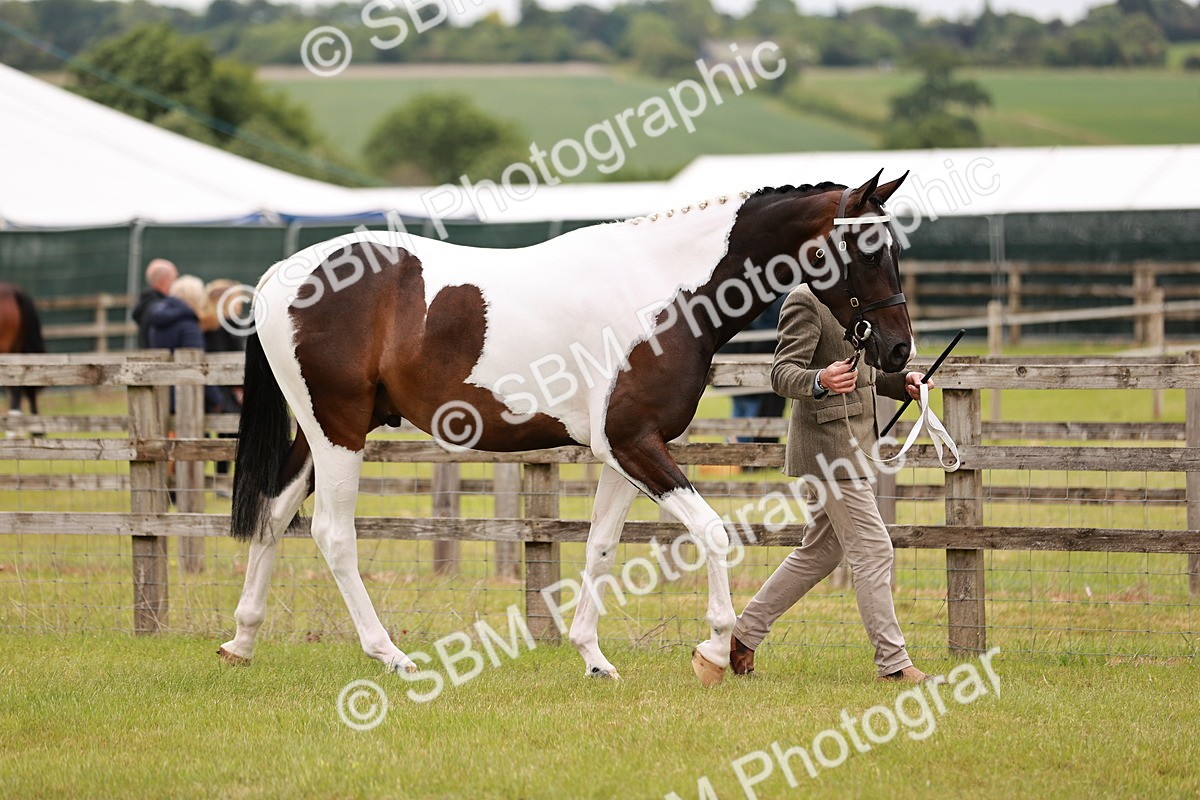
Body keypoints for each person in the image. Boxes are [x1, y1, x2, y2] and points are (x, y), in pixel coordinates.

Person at [730, 285, 933, 683]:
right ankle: (893, 665)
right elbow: (782, 373)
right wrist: (820, 379)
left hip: (853, 445)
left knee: (821, 552)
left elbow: (866, 373)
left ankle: (743, 635)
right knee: (874, 551)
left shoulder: (857, 299)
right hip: (827, 447)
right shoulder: (806, 300)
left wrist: (902, 382)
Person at [146, 275, 224, 413]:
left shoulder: (157, 323)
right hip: (186, 398)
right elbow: (196, 364)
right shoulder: (189, 325)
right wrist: (216, 399)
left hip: (160, 393)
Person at [722, 295, 787, 446]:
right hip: (751, 370)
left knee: (742, 411)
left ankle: (733, 447)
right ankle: (738, 448)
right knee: (750, 413)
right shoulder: (771, 302)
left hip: (741, 366)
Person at [132, 259, 178, 348]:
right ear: (165, 280)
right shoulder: (159, 309)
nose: (176, 283)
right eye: (175, 278)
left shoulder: (145, 304)